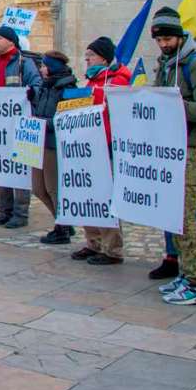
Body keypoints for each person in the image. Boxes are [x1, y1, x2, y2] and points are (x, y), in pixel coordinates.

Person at [150, 7, 196, 305]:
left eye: (167, 38)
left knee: (186, 216)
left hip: (192, 148)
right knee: (173, 213)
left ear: (179, 36)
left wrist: (171, 105)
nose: (163, 44)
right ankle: (184, 271)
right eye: (159, 39)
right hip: (170, 147)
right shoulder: (165, 66)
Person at [71, 36, 131, 264]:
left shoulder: (119, 82)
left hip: (105, 145)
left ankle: (112, 248)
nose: (87, 59)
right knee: (87, 194)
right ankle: (93, 242)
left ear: (104, 59)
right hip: (87, 145)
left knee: (104, 197)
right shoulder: (92, 81)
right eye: (86, 55)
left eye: (91, 55)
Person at [0, 26, 42, 229]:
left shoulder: (23, 63)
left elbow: (37, 85)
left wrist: (30, 94)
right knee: (1, 169)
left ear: (11, 41)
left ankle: (20, 213)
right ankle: (4, 210)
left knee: (19, 170)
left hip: (18, 125)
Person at [32, 51, 79, 244]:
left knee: (53, 188)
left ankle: (62, 227)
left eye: (44, 65)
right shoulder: (45, 86)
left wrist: (43, 123)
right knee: (38, 188)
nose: (41, 69)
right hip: (38, 142)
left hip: (54, 144)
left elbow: (66, 119)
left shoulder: (67, 88)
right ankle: (63, 221)